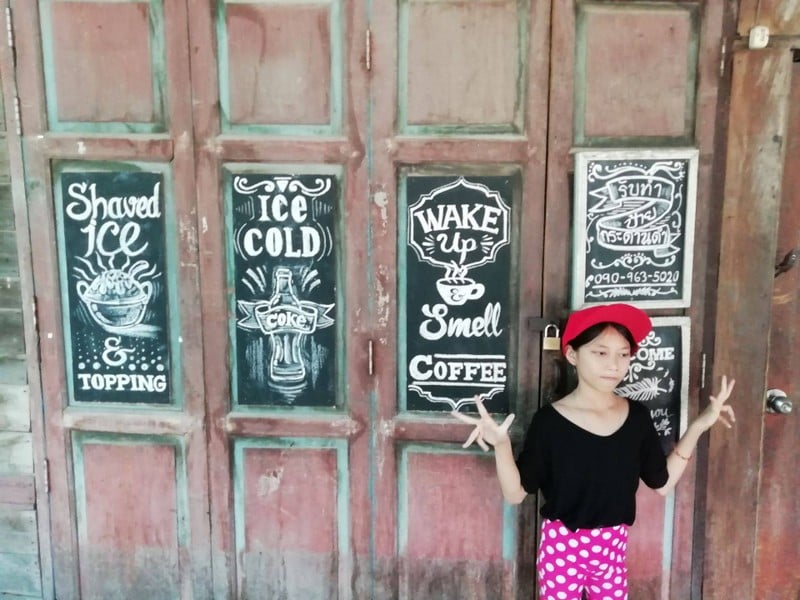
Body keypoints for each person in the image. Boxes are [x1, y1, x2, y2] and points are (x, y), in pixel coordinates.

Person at [453, 303, 735, 600]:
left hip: (613, 548)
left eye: (623, 354)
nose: (614, 364)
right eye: (600, 353)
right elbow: (515, 494)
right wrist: (501, 446)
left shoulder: (637, 417)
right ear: (572, 355)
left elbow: (662, 483)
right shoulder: (549, 422)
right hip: (563, 548)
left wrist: (699, 426)